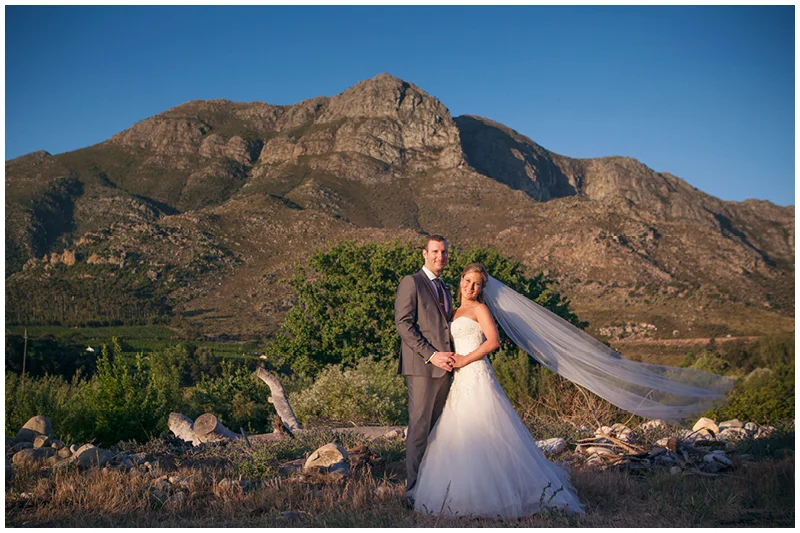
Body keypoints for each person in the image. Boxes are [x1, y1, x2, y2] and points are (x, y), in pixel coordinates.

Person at [409, 263, 584, 518]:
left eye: (477, 284)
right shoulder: (454, 311)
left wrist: (464, 360)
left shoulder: (480, 309)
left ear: (482, 288)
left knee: (488, 430)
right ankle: (461, 494)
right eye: (468, 281)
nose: (471, 287)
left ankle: (505, 494)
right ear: (461, 280)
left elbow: (493, 341)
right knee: (461, 432)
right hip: (459, 378)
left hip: (476, 372)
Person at [394, 234, 457, 508]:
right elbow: (403, 324)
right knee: (419, 428)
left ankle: (433, 487)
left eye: (444, 252)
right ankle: (413, 492)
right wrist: (432, 355)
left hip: (447, 369)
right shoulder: (412, 282)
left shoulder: (446, 287)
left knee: (438, 429)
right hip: (423, 366)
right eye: (435, 252)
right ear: (424, 253)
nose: (440, 256)